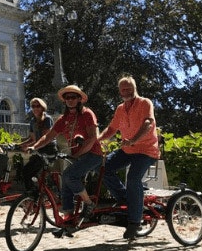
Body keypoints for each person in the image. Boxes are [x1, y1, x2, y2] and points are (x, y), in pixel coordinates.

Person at [97, 76, 160, 240]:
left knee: (133, 178)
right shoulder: (120, 109)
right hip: (127, 150)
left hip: (146, 150)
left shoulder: (145, 103)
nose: (126, 91)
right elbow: (111, 129)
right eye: (123, 89)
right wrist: (96, 140)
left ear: (135, 88)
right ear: (119, 91)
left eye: (128, 88)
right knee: (105, 169)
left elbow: (148, 123)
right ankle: (125, 199)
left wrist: (134, 140)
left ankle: (134, 221)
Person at [30, 85, 102, 220]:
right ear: (64, 100)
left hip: (92, 154)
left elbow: (93, 138)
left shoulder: (87, 113)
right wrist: (34, 147)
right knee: (66, 180)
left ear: (80, 99)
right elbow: (48, 136)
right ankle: (68, 215)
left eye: (73, 97)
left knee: (69, 176)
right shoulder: (63, 119)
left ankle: (89, 204)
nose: (70, 100)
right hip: (76, 156)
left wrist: (77, 154)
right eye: (67, 97)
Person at [18, 98, 57, 190]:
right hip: (39, 150)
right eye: (33, 106)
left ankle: (34, 194)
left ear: (42, 107)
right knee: (26, 171)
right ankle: (33, 194)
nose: (35, 108)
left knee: (28, 171)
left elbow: (45, 138)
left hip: (48, 150)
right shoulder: (32, 121)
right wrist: (19, 144)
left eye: (38, 106)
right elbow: (32, 138)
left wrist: (32, 147)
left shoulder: (47, 119)